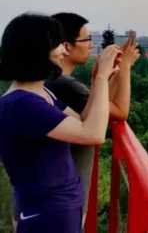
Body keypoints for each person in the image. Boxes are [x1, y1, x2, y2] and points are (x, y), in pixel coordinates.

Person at [0, 12, 120, 232]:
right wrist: (103, 77)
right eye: (57, 43)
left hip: (60, 207)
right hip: (48, 214)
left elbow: (83, 120)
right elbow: (93, 134)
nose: (64, 49)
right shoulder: (23, 104)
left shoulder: (40, 94)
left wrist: (97, 80)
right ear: (38, 50)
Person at [41, 12, 139, 227]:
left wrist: (106, 76)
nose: (91, 45)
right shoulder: (65, 85)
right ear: (66, 46)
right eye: (86, 39)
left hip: (53, 199)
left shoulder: (49, 83)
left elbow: (99, 106)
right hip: (63, 203)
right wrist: (125, 67)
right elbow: (120, 112)